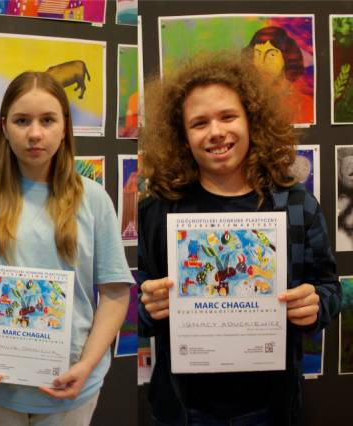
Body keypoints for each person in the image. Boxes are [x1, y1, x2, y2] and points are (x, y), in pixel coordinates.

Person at [138, 55, 340, 425]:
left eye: (228, 116)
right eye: (199, 123)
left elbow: (329, 288)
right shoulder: (157, 211)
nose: (216, 132)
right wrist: (146, 306)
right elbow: (131, 306)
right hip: (184, 409)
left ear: (251, 121)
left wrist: (315, 304)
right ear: (182, 136)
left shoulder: (297, 205)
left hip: (271, 409)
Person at [0, 71, 133, 425]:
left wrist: (86, 365)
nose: (35, 133)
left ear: (65, 127)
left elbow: (115, 293)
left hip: (71, 388)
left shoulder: (94, 199)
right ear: (4, 127)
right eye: (22, 120)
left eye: (47, 120)